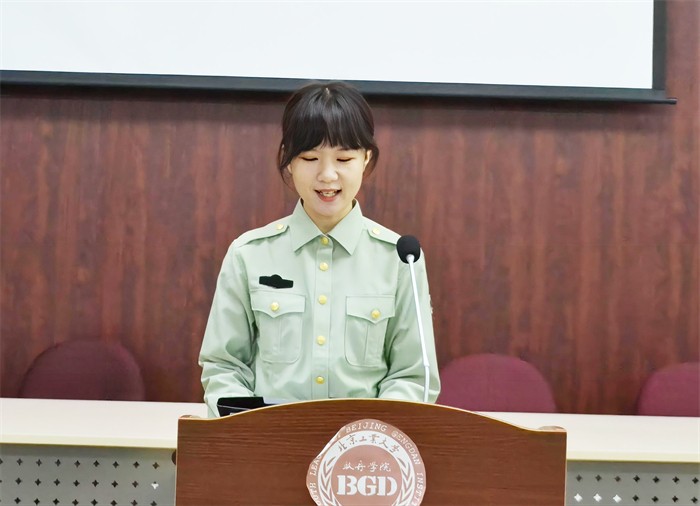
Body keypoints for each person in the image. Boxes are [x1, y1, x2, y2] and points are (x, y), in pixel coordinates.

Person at [199, 81, 440, 417]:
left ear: (366, 159)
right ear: (289, 161)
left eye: (344, 158)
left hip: (365, 447)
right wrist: (251, 430)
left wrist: (369, 435)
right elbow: (224, 367)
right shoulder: (249, 254)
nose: (327, 175)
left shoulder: (400, 258)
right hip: (271, 441)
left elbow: (412, 376)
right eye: (310, 157)